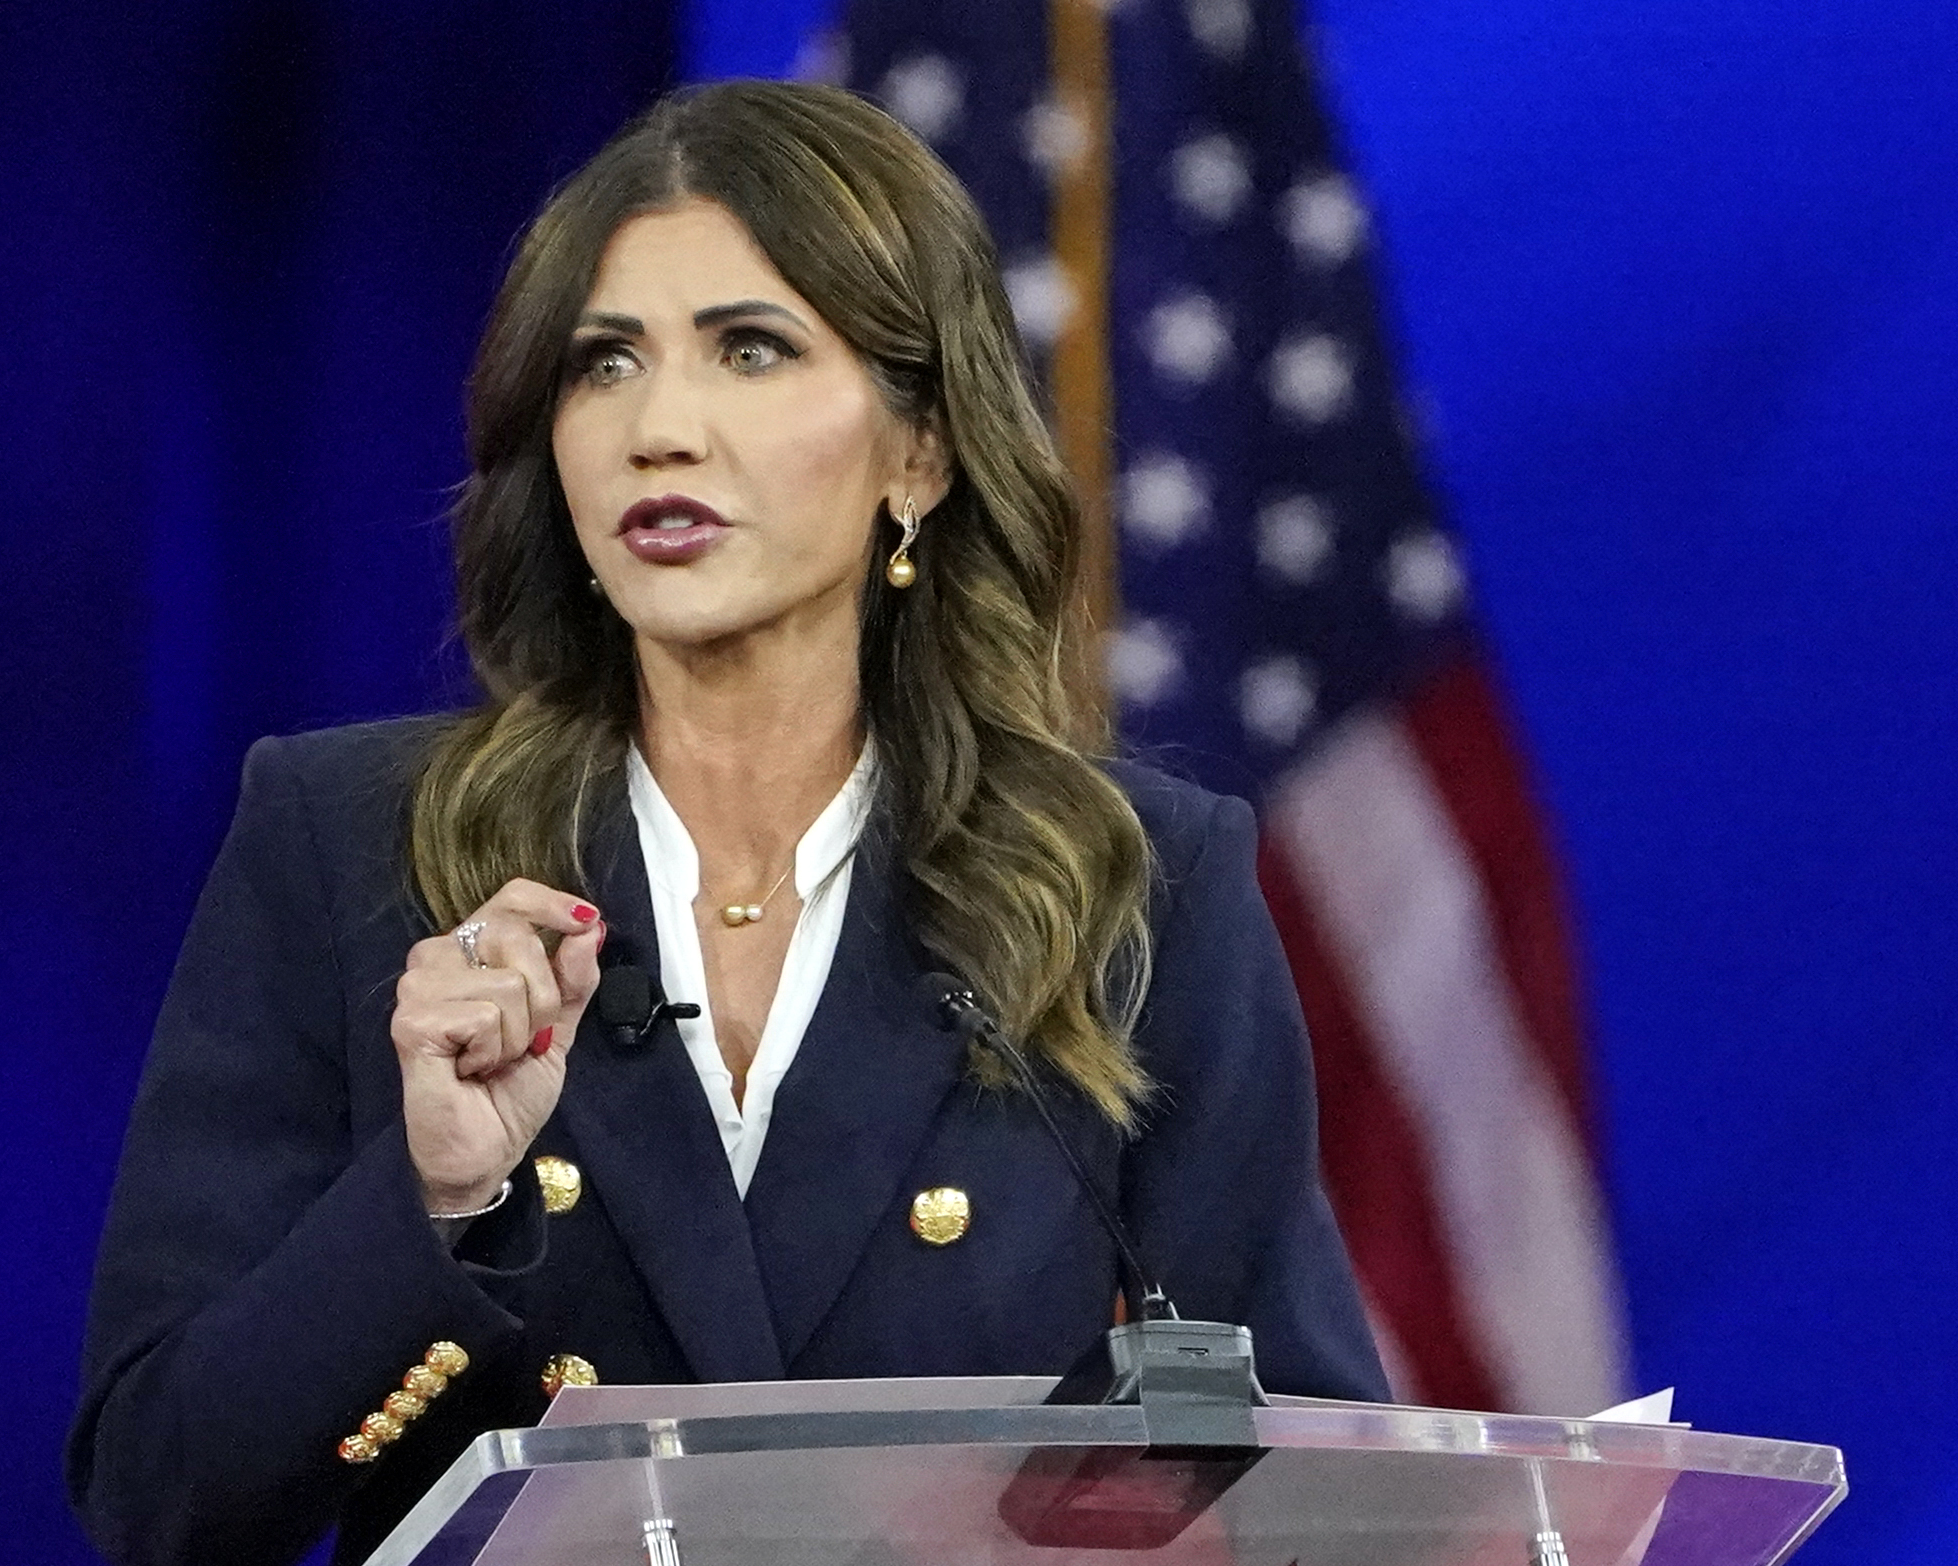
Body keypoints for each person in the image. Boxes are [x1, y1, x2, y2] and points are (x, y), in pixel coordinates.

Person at [68, 79, 1387, 1566]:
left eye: (750, 351)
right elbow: (160, 1492)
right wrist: (430, 1196)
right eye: (602, 365)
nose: (660, 428)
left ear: (922, 453)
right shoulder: (350, 848)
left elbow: (1315, 1496)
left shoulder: (1134, 886)